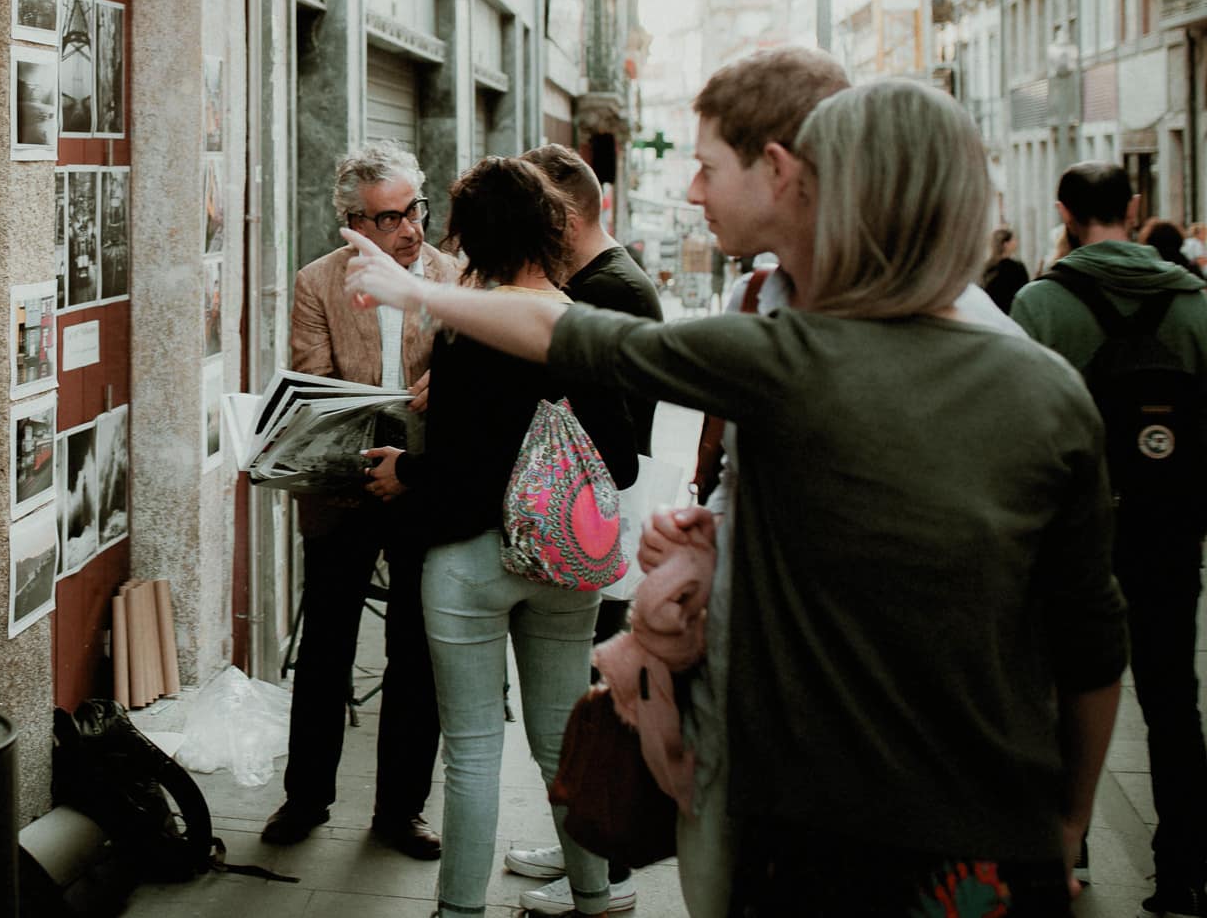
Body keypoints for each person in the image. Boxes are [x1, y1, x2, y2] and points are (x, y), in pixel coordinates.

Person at [344, 79, 1127, 918]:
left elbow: (578, 337)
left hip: (804, 826)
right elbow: (1089, 638)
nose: (693, 189)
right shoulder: (1049, 390)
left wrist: (420, 293)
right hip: (991, 843)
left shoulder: (785, 358)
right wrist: (1069, 820)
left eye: (712, 165)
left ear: (827, 192)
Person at [663, 47, 1017, 917]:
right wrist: (699, 541)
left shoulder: (984, 355)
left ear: (780, 170)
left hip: (880, 791)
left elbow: (1051, 612)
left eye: (707, 167)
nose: (690, 193)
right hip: (744, 748)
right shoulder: (756, 305)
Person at [356, 157, 616, 918]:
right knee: (560, 741)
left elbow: (464, 474)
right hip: (568, 558)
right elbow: (623, 456)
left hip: (472, 558)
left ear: (473, 237)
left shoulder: (469, 334)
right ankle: (596, 894)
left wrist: (408, 465)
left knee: (471, 750)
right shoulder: (585, 325)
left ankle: (460, 911)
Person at [1011, 164, 1207, 918]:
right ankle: (1185, 870)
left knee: (1061, 689)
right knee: (1174, 700)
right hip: (1169, 530)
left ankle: (1073, 847)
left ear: (1062, 212)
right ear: (1133, 209)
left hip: (1072, 535)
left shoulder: (1041, 304)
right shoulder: (1194, 304)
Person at [267, 140, 459, 859]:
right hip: (344, 487)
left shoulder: (454, 276)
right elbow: (315, 385)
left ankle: (401, 810)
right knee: (326, 648)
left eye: (416, 208)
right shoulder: (318, 282)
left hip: (422, 481)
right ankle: (306, 797)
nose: (411, 228)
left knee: (417, 649)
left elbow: (471, 376)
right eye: (390, 217)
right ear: (353, 222)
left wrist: (452, 389)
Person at [498, 144, 662, 912]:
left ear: (561, 217)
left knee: (595, 704)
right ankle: (585, 854)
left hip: (596, 519)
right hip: (595, 516)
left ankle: (605, 868)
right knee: (584, 701)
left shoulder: (606, 291)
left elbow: (609, 430)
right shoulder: (603, 281)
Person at [982, 225, 1031, 314]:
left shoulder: (985, 267)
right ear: (1006, 244)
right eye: (1013, 240)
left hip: (990, 314)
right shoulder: (1017, 267)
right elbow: (1025, 294)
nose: (1016, 242)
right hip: (1011, 314)